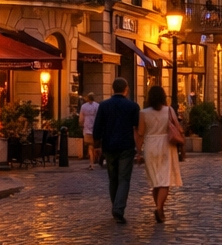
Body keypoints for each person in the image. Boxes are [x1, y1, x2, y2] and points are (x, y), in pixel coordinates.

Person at [93, 79, 139, 222]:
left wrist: (96, 146)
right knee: (124, 178)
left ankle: (116, 206)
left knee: (113, 178)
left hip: (109, 146)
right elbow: (137, 128)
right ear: (126, 89)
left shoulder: (104, 106)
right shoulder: (132, 106)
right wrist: (139, 147)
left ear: (113, 89)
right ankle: (118, 208)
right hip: (126, 146)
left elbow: (97, 127)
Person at [136, 85, 182, 223]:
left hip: (150, 145)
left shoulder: (143, 113)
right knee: (164, 180)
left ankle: (159, 207)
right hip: (166, 145)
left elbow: (140, 133)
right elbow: (178, 128)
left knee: (155, 181)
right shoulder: (169, 110)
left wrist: (139, 152)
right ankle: (159, 208)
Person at [78, 94, 100, 168]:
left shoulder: (84, 106)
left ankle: (91, 162)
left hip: (87, 127)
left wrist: (81, 124)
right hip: (95, 127)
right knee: (94, 145)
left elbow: (81, 118)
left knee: (90, 146)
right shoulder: (97, 106)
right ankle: (93, 160)